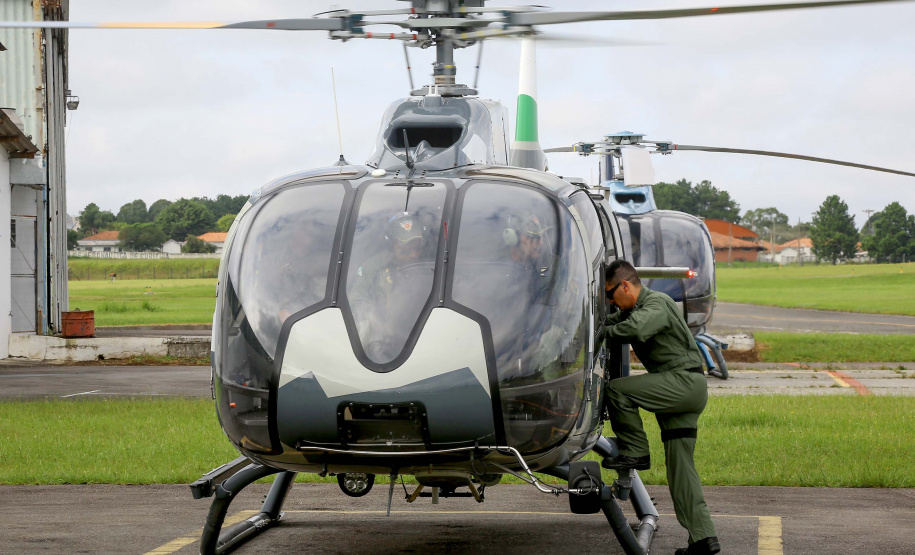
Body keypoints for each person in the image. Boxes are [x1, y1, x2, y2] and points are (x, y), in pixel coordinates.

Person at [601, 259, 720, 555]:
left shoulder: (657, 303)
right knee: (681, 472)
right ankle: (702, 539)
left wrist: (600, 333)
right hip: (683, 388)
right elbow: (616, 322)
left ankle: (636, 451)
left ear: (625, 286)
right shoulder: (634, 309)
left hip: (683, 383)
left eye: (610, 294)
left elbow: (636, 328)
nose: (610, 302)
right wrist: (598, 326)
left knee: (617, 390)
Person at [348, 213, 430, 360]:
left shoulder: (430, 264)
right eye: (405, 250)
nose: (414, 255)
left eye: (417, 248)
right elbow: (356, 301)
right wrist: (378, 321)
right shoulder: (372, 268)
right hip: (382, 339)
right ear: (391, 247)